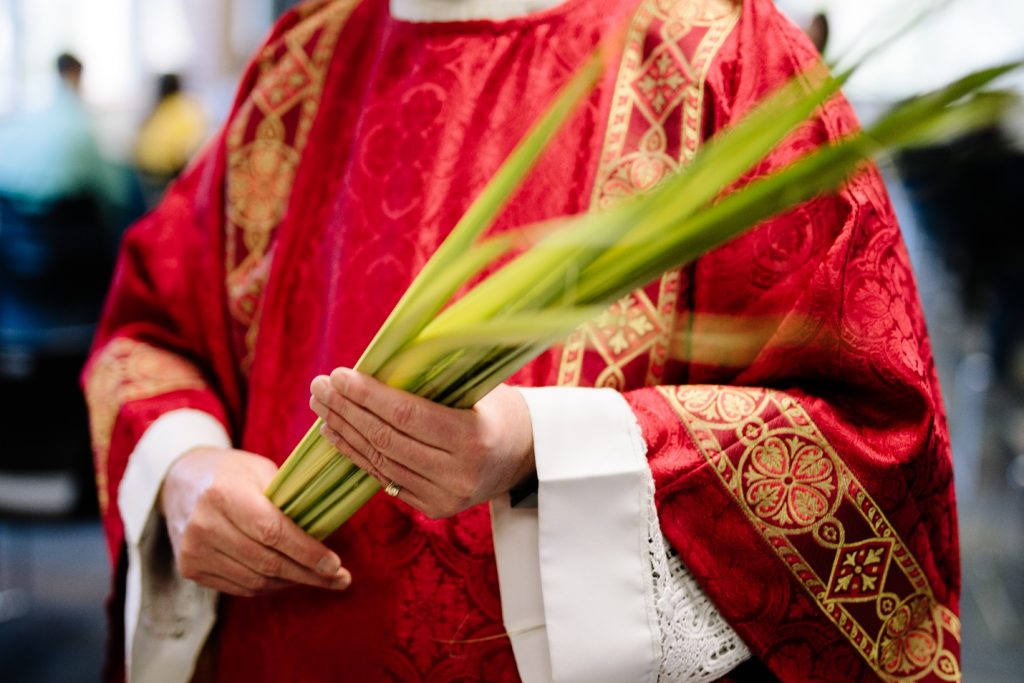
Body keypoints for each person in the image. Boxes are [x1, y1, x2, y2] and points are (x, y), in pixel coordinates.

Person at [84, 0, 961, 681]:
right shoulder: (298, 63)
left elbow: (874, 439)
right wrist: (184, 469)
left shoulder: (724, 57)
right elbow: (149, 330)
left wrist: (541, 448)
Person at [0, 53, 122, 214]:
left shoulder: (30, 117)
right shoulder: (79, 123)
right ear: (75, 75)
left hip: (18, 218)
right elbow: (109, 188)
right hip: (64, 221)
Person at [134, 73, 207, 197]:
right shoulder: (184, 108)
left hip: (146, 176)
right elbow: (188, 148)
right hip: (170, 175)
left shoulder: (154, 111)